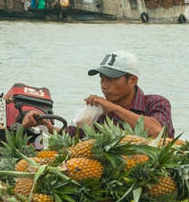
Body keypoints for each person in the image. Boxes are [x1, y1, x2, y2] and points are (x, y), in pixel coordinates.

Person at [22, 51, 174, 139]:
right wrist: (44, 125)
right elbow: (69, 137)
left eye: (112, 78)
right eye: (102, 78)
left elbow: (158, 133)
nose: (104, 84)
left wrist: (114, 108)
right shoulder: (98, 113)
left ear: (132, 80)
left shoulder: (156, 102)